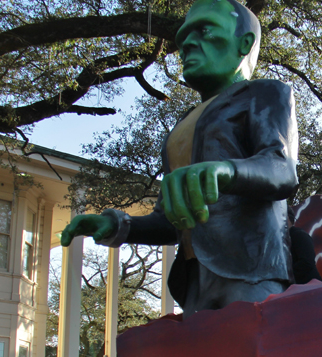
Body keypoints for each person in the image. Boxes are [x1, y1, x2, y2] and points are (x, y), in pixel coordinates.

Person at [59, 0, 298, 317]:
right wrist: (118, 224)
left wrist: (225, 171)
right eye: (182, 37)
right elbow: (171, 220)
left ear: (245, 43)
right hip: (194, 282)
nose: (186, 44)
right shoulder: (181, 127)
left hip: (252, 271)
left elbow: (282, 169)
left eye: (203, 30)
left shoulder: (265, 93)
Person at [287, 206, 322, 285]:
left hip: (310, 288)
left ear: (287, 218)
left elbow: (307, 263)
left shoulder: (299, 235)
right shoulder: (283, 239)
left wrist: (285, 274)